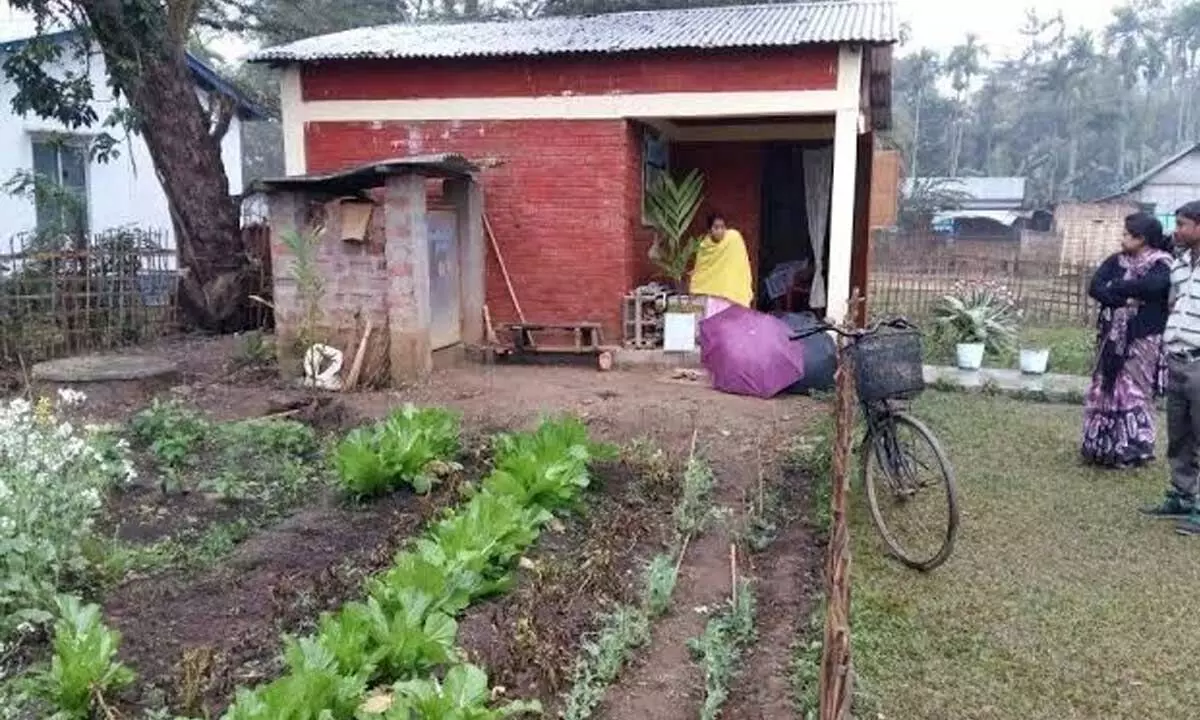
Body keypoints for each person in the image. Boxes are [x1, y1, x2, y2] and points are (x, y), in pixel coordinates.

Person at [1082, 213, 1172, 468]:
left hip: (1143, 338)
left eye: (1126, 234)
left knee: (1134, 389)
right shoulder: (1115, 260)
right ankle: (1101, 445)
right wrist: (1125, 297)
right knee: (1106, 385)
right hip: (1112, 336)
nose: (1122, 238)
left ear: (1141, 239)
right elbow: (1096, 287)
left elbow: (1155, 287)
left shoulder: (1161, 263)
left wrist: (1118, 287)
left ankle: (1133, 448)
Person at [1143, 201, 1200, 535]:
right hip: (1177, 359)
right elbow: (1173, 306)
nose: (1175, 230)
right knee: (1179, 435)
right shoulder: (1179, 266)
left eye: (1181, 224)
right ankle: (1182, 494)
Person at [689, 213, 753, 319]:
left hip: (732, 295)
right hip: (713, 295)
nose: (720, 231)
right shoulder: (704, 246)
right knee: (714, 323)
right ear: (709, 230)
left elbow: (741, 264)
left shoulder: (733, 239)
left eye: (722, 227)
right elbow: (702, 270)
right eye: (716, 228)